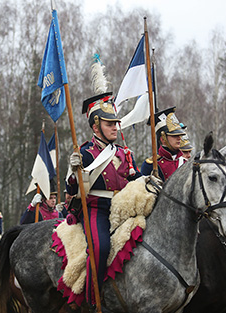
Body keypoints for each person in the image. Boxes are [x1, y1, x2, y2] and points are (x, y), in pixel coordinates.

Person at [66, 88, 142, 307]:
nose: (115, 128)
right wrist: (74, 171)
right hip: (96, 208)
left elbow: (134, 176)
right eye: (110, 124)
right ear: (95, 126)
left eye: (115, 124)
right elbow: (72, 188)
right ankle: (93, 301)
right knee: (100, 248)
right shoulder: (85, 153)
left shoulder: (124, 153)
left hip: (123, 208)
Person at [140, 107, 186, 181]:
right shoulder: (150, 165)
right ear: (163, 139)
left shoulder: (185, 163)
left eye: (179, 135)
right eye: (174, 135)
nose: (179, 138)